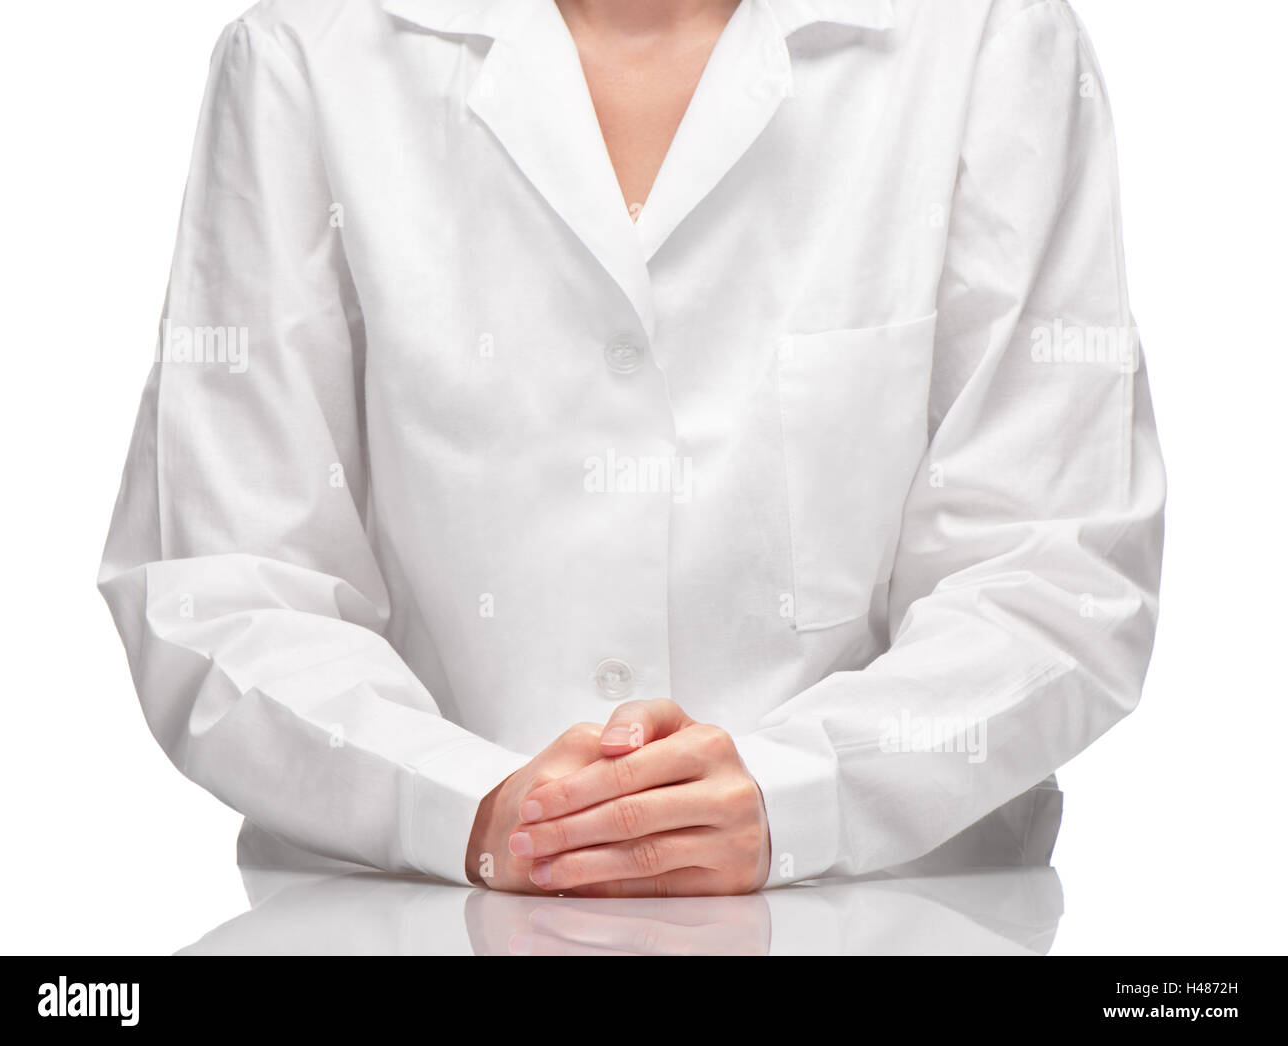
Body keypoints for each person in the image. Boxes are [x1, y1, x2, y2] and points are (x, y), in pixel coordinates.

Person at [99, 0, 1165, 897]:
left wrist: (794, 791)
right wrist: (469, 807)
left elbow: (1054, 574)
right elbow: (227, 582)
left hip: (882, 922)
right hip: (420, 924)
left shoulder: (986, 39)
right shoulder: (307, 50)